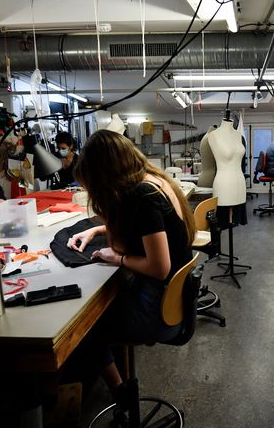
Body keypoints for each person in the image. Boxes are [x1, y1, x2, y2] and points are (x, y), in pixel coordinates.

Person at [65, 130, 195, 408]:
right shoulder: (155, 181)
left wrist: (116, 258)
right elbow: (150, 227)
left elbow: (159, 267)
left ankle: (120, 393)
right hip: (170, 301)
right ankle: (122, 390)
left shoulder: (142, 195)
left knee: (83, 328)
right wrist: (97, 230)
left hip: (156, 310)